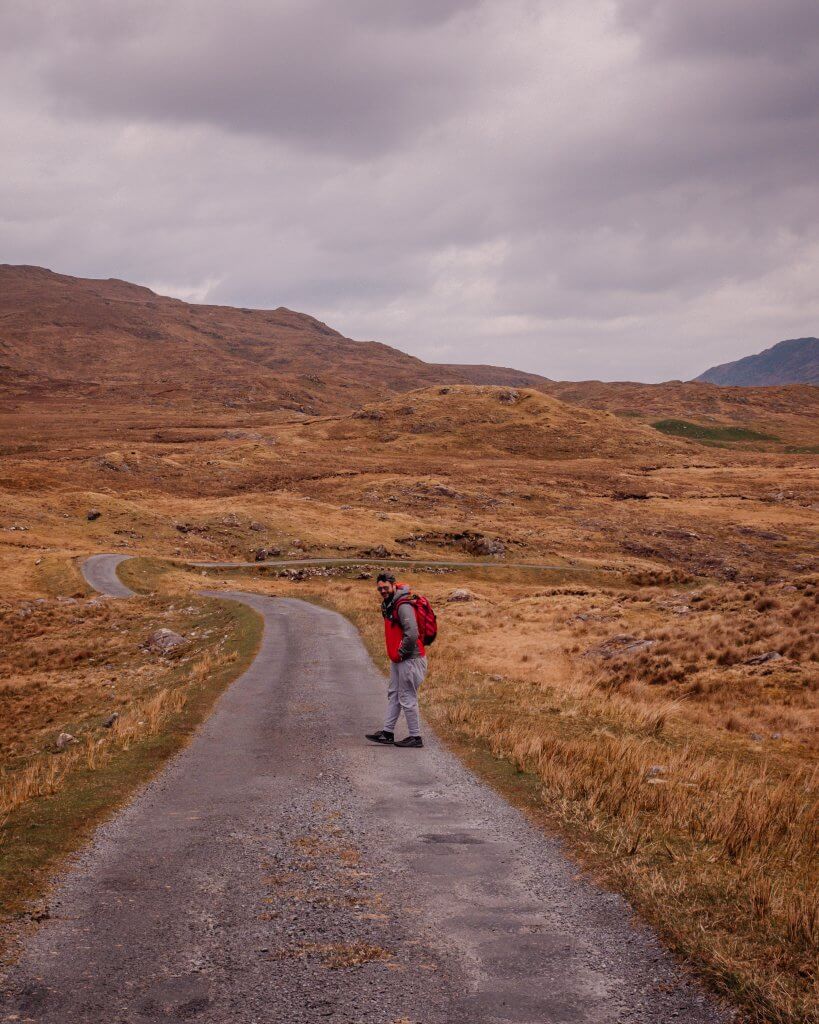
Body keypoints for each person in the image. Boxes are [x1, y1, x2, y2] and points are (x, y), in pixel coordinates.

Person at [365, 572, 428, 749]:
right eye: (380, 588)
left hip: (410, 659)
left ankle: (415, 737)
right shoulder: (390, 603)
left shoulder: (402, 605)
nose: (383, 591)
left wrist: (401, 653)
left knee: (407, 697)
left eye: (385, 587)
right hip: (399, 659)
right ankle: (387, 733)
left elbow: (412, 633)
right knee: (394, 694)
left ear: (394, 585)